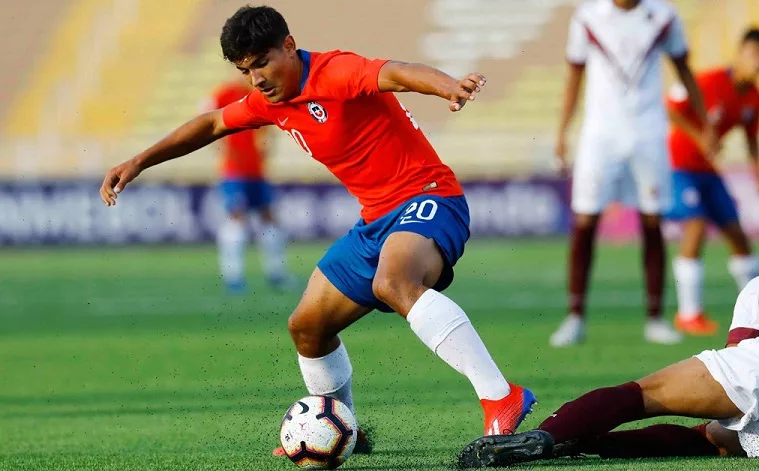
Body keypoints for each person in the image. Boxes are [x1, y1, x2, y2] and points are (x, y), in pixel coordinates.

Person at [99, 5, 536, 457]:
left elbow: (397, 73)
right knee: (307, 327)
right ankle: (342, 427)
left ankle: (502, 396)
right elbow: (211, 124)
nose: (257, 79)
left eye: (262, 63)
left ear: (289, 46)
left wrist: (449, 85)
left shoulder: (334, 71)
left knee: (394, 283)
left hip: (429, 198)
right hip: (376, 221)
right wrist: (137, 162)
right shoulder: (269, 101)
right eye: (246, 70)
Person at [458, 262, 759, 468]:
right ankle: (585, 444)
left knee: (645, 395)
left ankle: (546, 437)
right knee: (715, 441)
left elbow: (738, 348)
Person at [550, 0, 713, 347]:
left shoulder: (664, 16)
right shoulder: (587, 17)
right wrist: (562, 131)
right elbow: (574, 76)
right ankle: (575, 317)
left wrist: (705, 123)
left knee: (653, 222)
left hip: (648, 132)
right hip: (600, 134)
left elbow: (684, 69)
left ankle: (655, 319)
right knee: (585, 222)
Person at [668, 28, 759, 336]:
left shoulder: (755, 97)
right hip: (679, 165)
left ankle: (758, 313)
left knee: (738, 236)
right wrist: (700, 136)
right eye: (753, 54)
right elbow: (672, 109)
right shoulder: (710, 81)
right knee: (696, 227)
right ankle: (689, 314)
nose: (758, 62)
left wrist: (758, 174)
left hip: (709, 171)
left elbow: (752, 139)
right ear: (739, 52)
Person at [206, 78, 295, 294]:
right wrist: (222, 150)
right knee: (236, 217)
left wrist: (266, 148)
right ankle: (233, 276)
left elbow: (269, 128)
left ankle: (276, 273)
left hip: (256, 170)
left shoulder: (257, 93)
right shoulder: (222, 93)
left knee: (268, 217)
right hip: (234, 171)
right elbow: (206, 121)